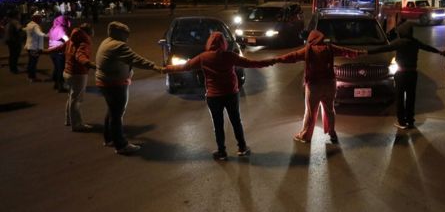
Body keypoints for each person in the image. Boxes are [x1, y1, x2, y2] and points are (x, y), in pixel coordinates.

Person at [164, 32, 275, 160]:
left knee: (218, 124)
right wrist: (269, 62)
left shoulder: (203, 57)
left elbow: (185, 66)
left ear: (209, 43)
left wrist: (167, 69)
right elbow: (250, 63)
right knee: (236, 121)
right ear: (223, 43)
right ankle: (242, 147)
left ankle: (221, 151)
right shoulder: (229, 56)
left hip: (213, 96)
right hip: (230, 94)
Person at [275, 30, 365, 143]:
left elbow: (293, 56)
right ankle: (332, 133)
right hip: (330, 84)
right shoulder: (329, 48)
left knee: (311, 112)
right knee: (330, 109)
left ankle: (305, 136)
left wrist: (276, 59)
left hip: (314, 86)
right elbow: (345, 51)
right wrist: (361, 52)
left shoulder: (308, 50)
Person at [95, 21, 163, 154]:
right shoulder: (118, 46)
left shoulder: (107, 41)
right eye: (126, 35)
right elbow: (135, 59)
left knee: (112, 111)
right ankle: (121, 145)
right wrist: (155, 67)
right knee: (117, 115)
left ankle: (109, 139)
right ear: (120, 34)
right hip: (114, 84)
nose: (127, 38)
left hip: (105, 82)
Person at [367, 22, 441, 129]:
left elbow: (383, 49)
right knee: (411, 97)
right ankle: (410, 120)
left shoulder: (399, 42)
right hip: (412, 73)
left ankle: (401, 122)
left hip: (401, 73)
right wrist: (440, 52)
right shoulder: (415, 42)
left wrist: (366, 52)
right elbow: (428, 47)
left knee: (400, 97)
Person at [43, 23, 96, 131]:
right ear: (89, 32)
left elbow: (59, 48)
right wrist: (92, 65)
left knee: (71, 97)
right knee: (76, 100)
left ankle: (69, 119)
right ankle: (77, 124)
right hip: (78, 74)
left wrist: (44, 51)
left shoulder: (72, 39)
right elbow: (79, 56)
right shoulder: (84, 42)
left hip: (67, 72)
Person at [48, 13, 71, 92]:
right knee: (60, 69)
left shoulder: (52, 28)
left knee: (56, 68)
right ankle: (60, 86)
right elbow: (66, 39)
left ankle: (56, 84)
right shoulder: (61, 29)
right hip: (59, 51)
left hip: (52, 51)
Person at [23, 11, 48, 82]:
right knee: (33, 63)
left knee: (31, 62)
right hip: (34, 47)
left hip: (29, 46)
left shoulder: (29, 24)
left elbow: (25, 30)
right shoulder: (36, 26)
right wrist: (48, 35)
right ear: (36, 19)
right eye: (40, 18)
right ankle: (32, 77)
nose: (41, 20)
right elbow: (39, 33)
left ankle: (30, 76)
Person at [4, 10, 24, 74]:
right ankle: (14, 69)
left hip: (9, 40)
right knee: (15, 55)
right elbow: (20, 29)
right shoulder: (15, 22)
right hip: (15, 41)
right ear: (16, 15)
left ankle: (12, 68)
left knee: (12, 55)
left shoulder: (9, 21)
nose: (20, 16)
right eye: (19, 14)